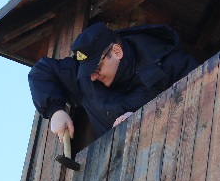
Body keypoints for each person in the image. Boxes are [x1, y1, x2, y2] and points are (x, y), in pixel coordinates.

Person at [29, 21, 198, 141]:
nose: (93, 77)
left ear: (117, 52)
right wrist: (55, 111)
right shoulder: (85, 80)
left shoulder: (170, 64)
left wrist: (146, 117)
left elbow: (199, 96)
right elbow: (41, 71)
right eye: (88, 72)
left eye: (96, 69)